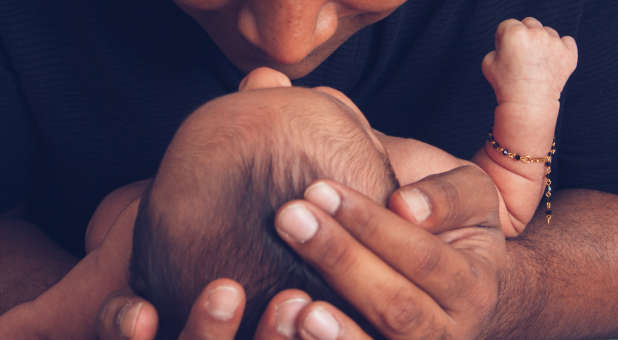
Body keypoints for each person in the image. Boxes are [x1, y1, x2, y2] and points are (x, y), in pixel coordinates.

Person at [0, 0, 616, 338]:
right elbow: (509, 205)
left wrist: (43, 319)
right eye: (322, 105)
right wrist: (531, 98)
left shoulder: (129, 220)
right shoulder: (414, 185)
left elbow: (83, 289)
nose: (282, 56)